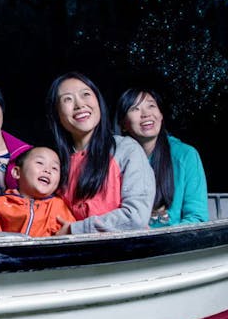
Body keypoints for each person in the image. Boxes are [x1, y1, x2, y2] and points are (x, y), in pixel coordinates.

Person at [47, 72, 154, 233]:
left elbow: (136, 217)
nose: (79, 104)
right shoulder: (55, 163)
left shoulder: (126, 150)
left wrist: (74, 230)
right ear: (57, 115)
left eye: (86, 95)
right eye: (67, 99)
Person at [117, 87, 208, 227]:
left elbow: (197, 218)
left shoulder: (186, 155)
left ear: (161, 115)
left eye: (151, 106)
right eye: (135, 109)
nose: (146, 114)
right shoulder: (115, 159)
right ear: (123, 124)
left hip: (176, 245)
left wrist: (158, 238)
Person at [0, 146, 74, 236]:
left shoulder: (58, 206)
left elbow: (75, 239)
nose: (48, 170)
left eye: (54, 168)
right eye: (40, 163)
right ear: (17, 172)